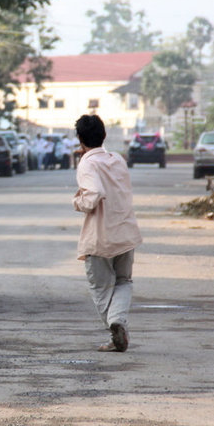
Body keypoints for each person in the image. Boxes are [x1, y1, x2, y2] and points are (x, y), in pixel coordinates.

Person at [72, 114, 142, 352]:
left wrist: (78, 202)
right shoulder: (117, 159)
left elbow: (93, 194)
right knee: (123, 281)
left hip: (100, 236)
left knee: (100, 287)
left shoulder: (87, 163)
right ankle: (118, 325)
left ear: (80, 139)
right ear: (104, 136)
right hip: (125, 232)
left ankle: (115, 324)